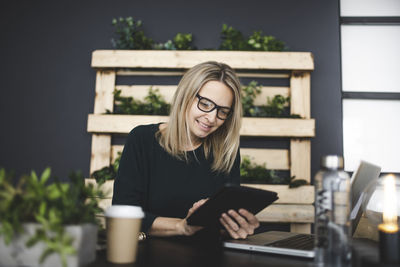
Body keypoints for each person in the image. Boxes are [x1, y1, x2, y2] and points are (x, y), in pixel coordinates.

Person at [112, 61, 259, 240]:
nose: (212, 118)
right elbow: (125, 214)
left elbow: (222, 223)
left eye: (223, 111)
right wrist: (182, 226)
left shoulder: (226, 151)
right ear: (185, 96)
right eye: (205, 104)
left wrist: (235, 225)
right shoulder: (142, 140)